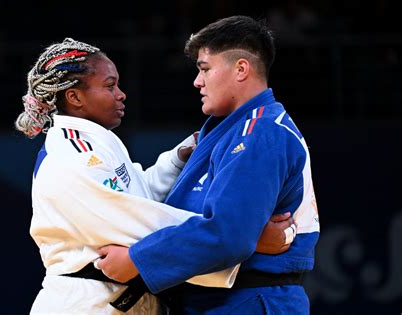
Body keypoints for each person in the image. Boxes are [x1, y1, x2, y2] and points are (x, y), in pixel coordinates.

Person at [15, 37, 296, 314]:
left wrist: (175, 161)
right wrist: (236, 236)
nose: (121, 94)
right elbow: (135, 224)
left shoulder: (97, 141)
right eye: (110, 86)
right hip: (84, 305)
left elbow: (137, 198)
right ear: (74, 97)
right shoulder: (70, 155)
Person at [97, 15, 320, 314]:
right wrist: (252, 237)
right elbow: (210, 221)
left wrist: (138, 260)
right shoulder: (227, 129)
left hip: (249, 300)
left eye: (205, 69)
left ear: (241, 69)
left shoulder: (259, 132)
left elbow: (227, 234)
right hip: (220, 298)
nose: (197, 81)